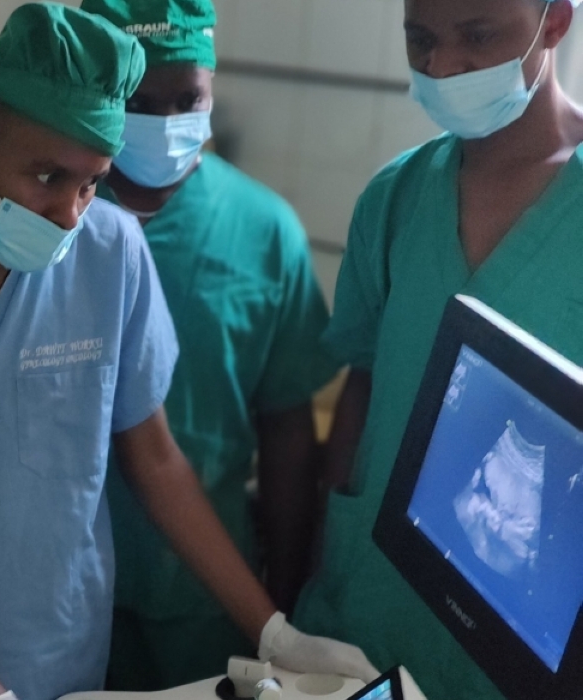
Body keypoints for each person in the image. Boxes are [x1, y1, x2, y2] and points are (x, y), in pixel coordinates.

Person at [0, 4, 376, 699]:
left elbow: (156, 459)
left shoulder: (111, 252)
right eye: (47, 177)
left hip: (55, 662)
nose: (70, 214)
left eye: (91, 183)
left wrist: (273, 631)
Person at [293, 0, 583, 698]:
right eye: (420, 39)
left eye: (477, 35)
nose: (442, 67)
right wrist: (326, 550)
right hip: (368, 606)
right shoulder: (395, 199)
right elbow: (365, 383)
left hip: (527, 636)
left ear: (554, 22)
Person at [77, 0, 341, 690]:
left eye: (187, 100)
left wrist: (280, 603)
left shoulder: (263, 232)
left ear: (213, 88)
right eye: (140, 103)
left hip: (206, 587)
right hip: (57, 579)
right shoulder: (49, 218)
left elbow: (286, 428)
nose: (166, 124)